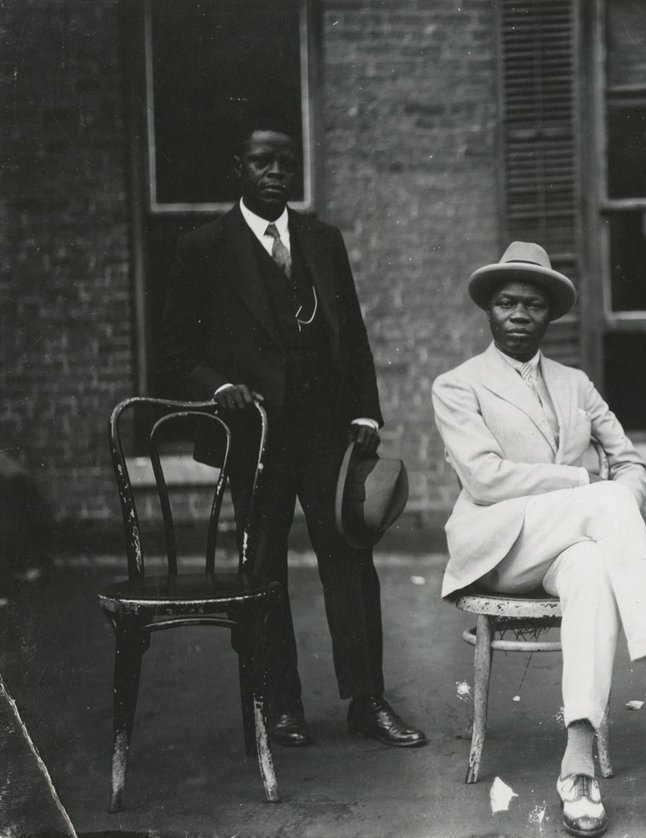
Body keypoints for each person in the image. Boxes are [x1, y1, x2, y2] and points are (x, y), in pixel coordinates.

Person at [432, 241, 646, 838]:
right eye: (506, 302)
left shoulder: (577, 385)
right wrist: (585, 486)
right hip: (500, 548)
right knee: (603, 503)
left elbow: (630, 464)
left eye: (532, 305)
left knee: (592, 564)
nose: (518, 313)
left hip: (570, 546)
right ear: (488, 310)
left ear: (549, 315)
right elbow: (484, 478)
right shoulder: (458, 386)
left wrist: (611, 501)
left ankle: (578, 762)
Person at [155, 125, 426, 750]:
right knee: (263, 568)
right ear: (238, 169)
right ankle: (280, 706)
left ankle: (367, 700)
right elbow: (174, 351)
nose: (275, 171)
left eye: (285, 162)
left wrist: (365, 413)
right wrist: (219, 385)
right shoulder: (204, 248)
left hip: (326, 433)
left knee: (351, 561)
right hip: (254, 438)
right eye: (261, 161)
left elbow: (350, 332)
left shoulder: (321, 241)